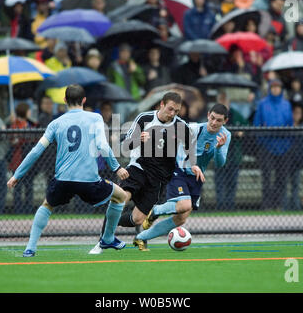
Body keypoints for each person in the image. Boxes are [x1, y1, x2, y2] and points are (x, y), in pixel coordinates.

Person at [7, 84, 129, 257]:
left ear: (64, 100)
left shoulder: (55, 123)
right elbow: (102, 145)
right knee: (121, 196)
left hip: (63, 180)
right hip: (89, 181)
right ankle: (108, 238)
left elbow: (36, 151)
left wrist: (17, 175)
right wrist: (116, 167)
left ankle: (30, 248)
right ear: (84, 100)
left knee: (47, 205)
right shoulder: (95, 118)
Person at [90, 91, 202, 254]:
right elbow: (124, 146)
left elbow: (189, 152)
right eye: (170, 109)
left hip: (158, 180)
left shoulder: (180, 127)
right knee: (121, 198)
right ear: (162, 104)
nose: (173, 114)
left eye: (176, 111)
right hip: (138, 168)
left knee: (137, 219)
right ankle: (102, 241)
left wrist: (193, 165)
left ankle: (110, 221)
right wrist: (137, 140)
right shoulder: (144, 119)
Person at [134, 104, 230, 250]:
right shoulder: (194, 129)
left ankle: (141, 237)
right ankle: (155, 210)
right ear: (208, 115)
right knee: (185, 205)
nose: (214, 123)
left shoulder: (225, 135)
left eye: (219, 120)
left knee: (181, 218)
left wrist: (217, 149)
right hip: (179, 169)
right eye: (212, 118)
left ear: (225, 121)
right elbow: (178, 148)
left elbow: (220, 163)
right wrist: (191, 164)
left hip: (196, 177)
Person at [253, 78, 294, 210]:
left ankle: (279, 204)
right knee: (266, 177)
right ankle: (267, 205)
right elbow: (257, 123)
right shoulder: (262, 104)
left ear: (281, 89)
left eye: (278, 87)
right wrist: (262, 141)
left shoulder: (286, 104)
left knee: (281, 177)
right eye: (273, 87)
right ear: (270, 89)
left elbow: (290, 123)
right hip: (267, 145)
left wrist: (288, 141)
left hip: (284, 145)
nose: (276, 89)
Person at [214, 92, 248, 210]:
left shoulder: (235, 114)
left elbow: (245, 126)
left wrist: (241, 132)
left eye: (225, 101)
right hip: (219, 154)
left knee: (232, 182)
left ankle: (230, 205)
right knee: (220, 181)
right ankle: (220, 205)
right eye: (221, 101)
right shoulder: (214, 117)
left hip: (234, 153)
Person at [9, 103, 38, 214]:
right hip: (19, 159)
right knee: (18, 187)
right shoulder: (15, 124)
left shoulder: (30, 124)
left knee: (29, 186)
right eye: (28, 110)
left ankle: (29, 210)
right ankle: (18, 210)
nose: (30, 112)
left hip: (29, 160)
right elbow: (14, 141)